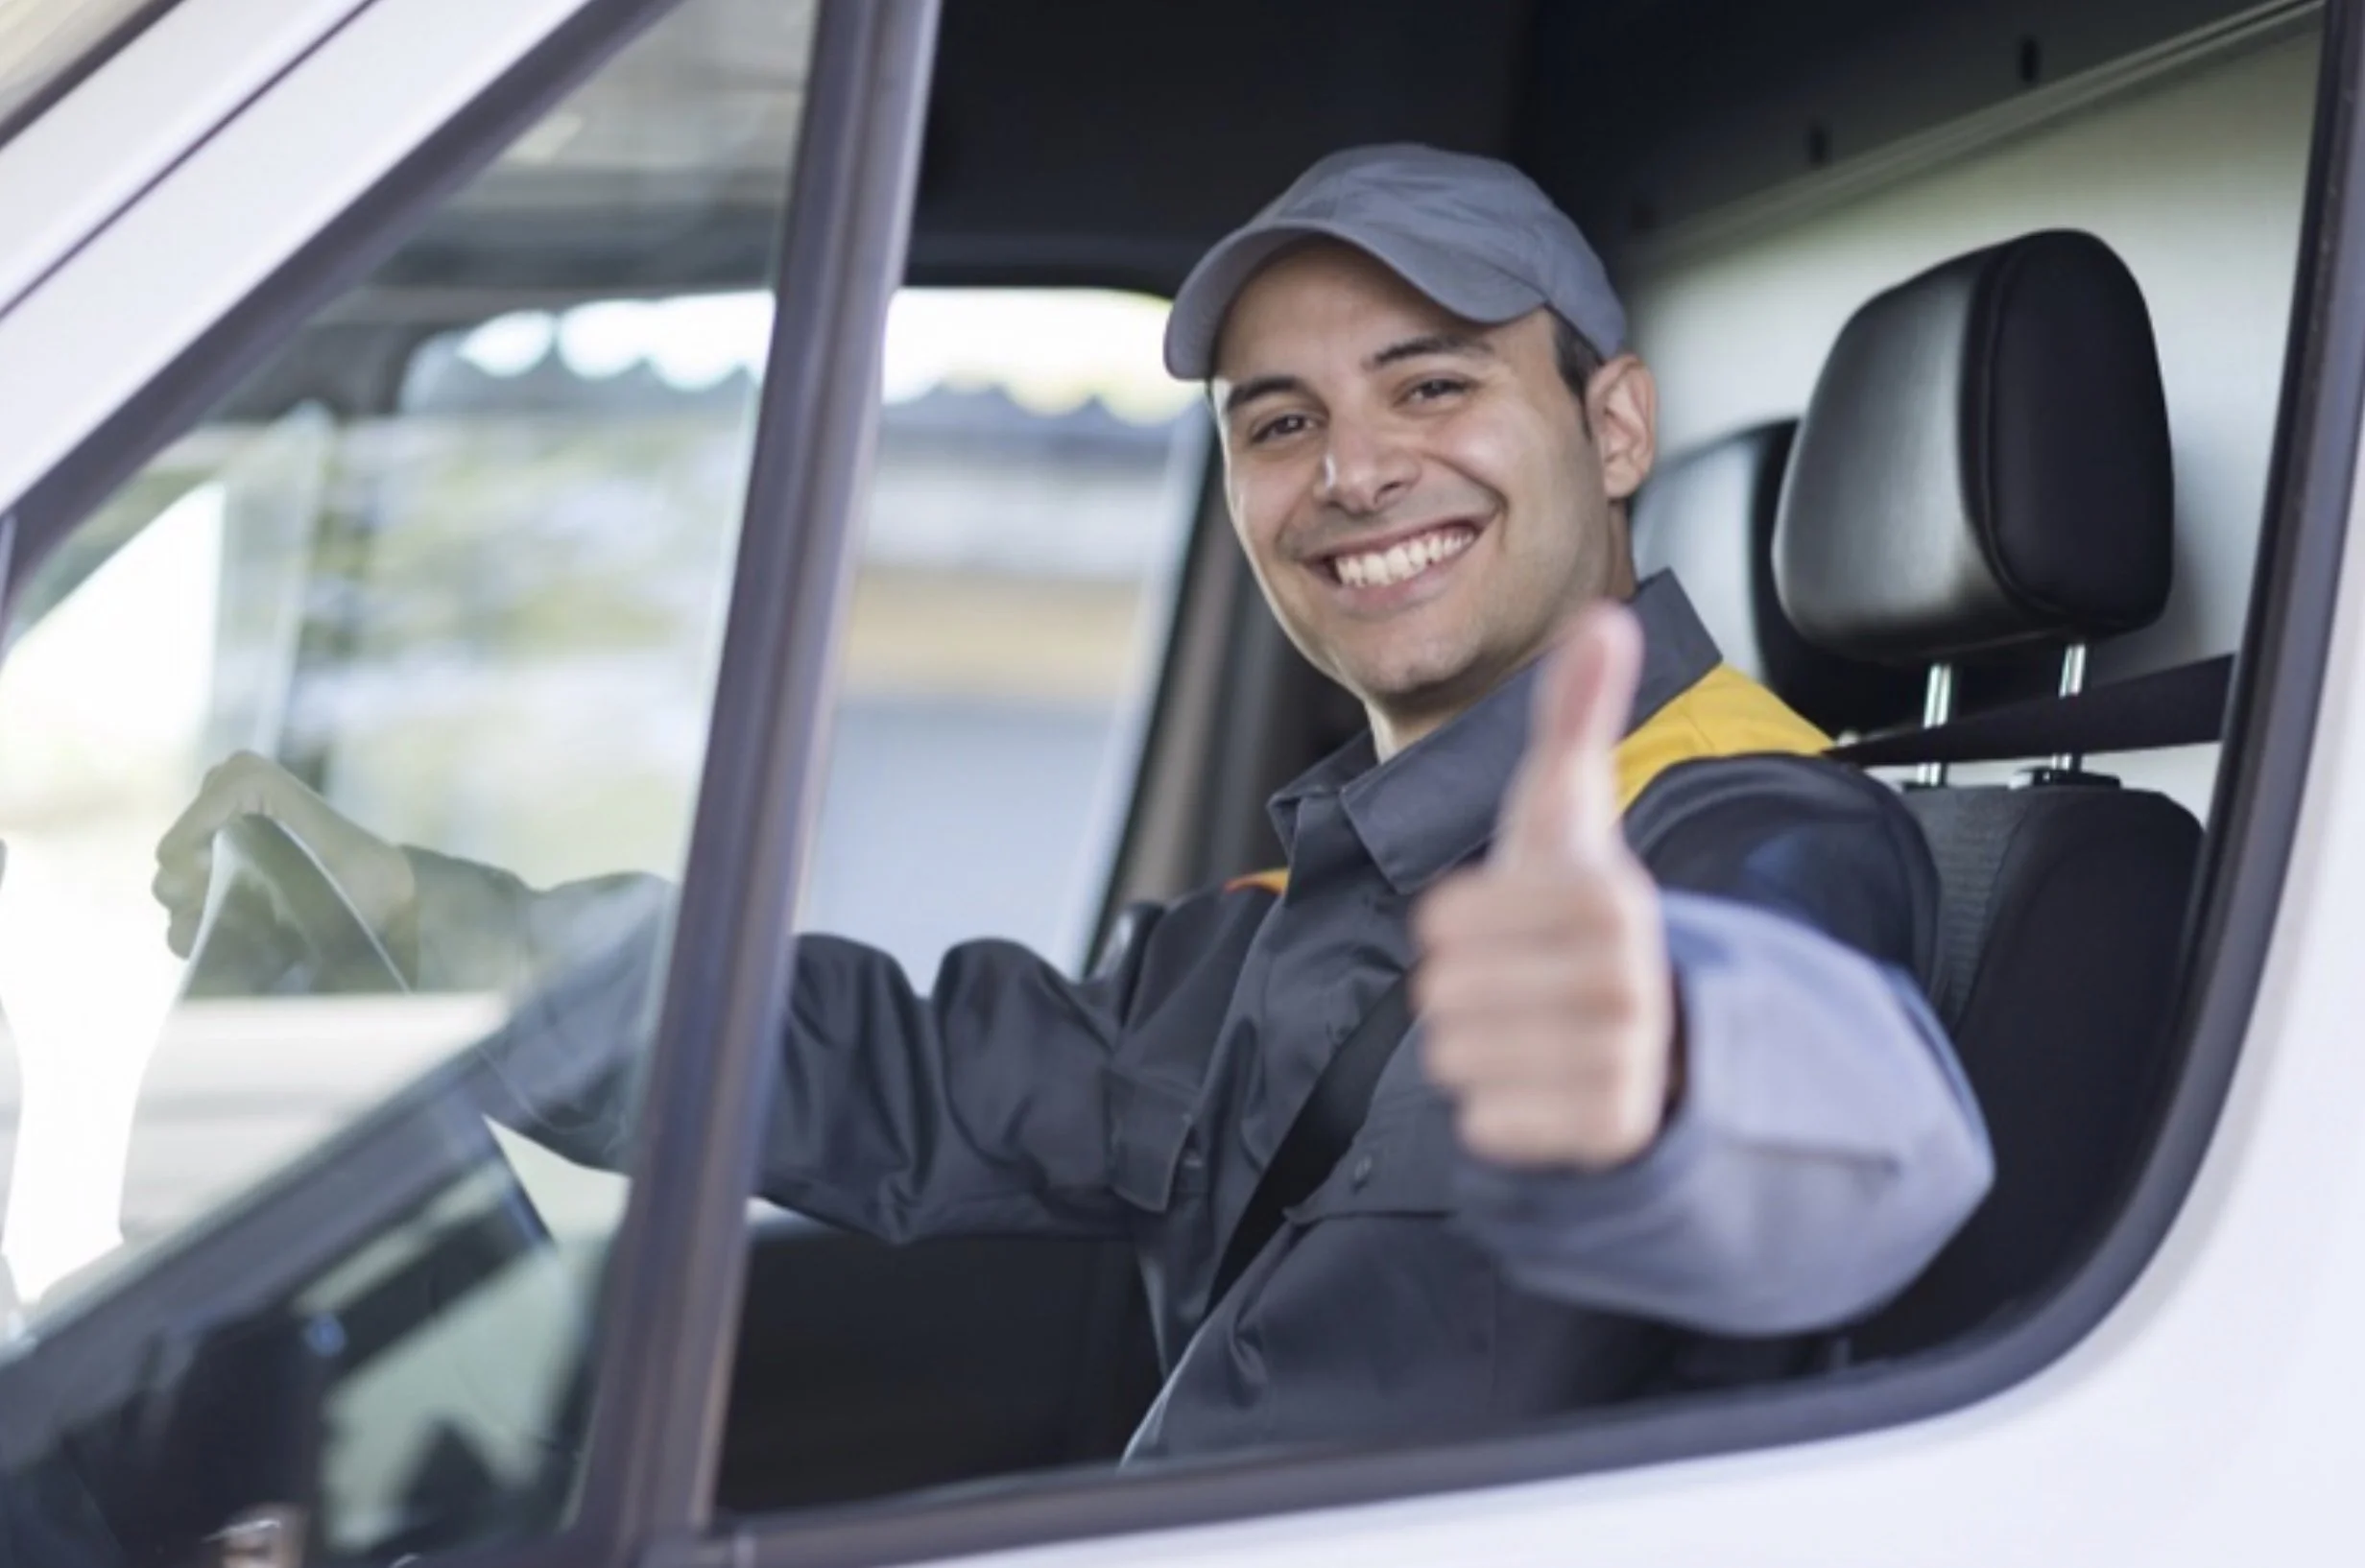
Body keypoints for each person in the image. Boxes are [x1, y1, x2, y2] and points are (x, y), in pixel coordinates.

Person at [153, 145, 1992, 1461]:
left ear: (1613, 429)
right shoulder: (1327, 894)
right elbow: (919, 1074)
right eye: (1279, 423)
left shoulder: (1741, 833)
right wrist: (447, 926)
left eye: (1433, 384)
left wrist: (1671, 1075)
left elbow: (1835, 1128)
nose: (1353, 468)